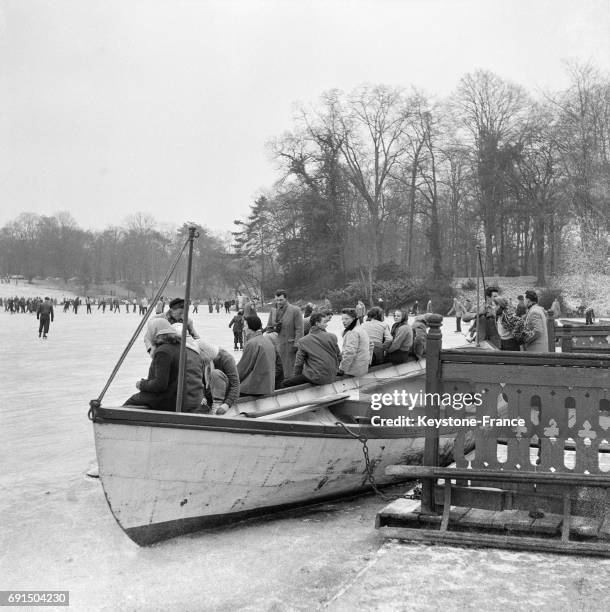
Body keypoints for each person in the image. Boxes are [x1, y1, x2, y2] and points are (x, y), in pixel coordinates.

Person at [123, 319, 183, 412]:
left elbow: (160, 384)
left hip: (163, 399)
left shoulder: (163, 351)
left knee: (129, 404)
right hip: (174, 395)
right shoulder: (178, 347)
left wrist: (141, 384)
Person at [282, 312, 341, 387]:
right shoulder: (332, 337)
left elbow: (298, 364)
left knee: (285, 383)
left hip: (316, 377)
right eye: (325, 322)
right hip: (332, 375)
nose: (327, 324)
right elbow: (339, 357)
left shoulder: (303, 341)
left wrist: (296, 378)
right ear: (317, 323)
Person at [238, 315, 281, 396]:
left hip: (254, 387)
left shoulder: (252, 343)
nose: (243, 329)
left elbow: (243, 368)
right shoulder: (267, 341)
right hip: (269, 386)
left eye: (245, 326)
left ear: (251, 326)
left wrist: (231, 381)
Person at [266, 289, 304, 379]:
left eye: (281, 300)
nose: (278, 302)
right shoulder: (273, 310)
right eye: (277, 300)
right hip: (278, 345)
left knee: (291, 372)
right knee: (280, 371)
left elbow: (299, 329)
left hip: (290, 346)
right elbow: (269, 327)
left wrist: (297, 344)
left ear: (286, 299)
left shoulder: (295, 310)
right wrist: (275, 328)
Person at [198, 340, 240, 415]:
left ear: (204, 353)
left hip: (223, 394)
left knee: (215, 373)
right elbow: (200, 381)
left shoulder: (226, 358)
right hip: (210, 393)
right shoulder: (204, 361)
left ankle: (217, 404)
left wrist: (227, 404)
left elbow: (235, 384)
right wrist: (202, 396)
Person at [338, 308, 372, 377]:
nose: (343, 321)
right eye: (342, 319)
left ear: (354, 318)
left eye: (346, 319)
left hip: (354, 370)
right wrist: (368, 361)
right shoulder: (361, 329)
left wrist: (342, 369)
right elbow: (371, 344)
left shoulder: (353, 332)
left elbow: (350, 352)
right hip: (363, 367)